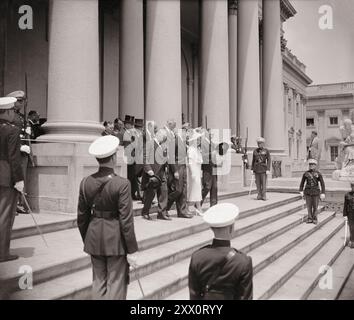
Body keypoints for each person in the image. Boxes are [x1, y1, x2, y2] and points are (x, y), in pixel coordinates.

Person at [77, 135, 138, 300]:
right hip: (115, 238)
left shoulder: (85, 182)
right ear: (113, 157)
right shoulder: (122, 184)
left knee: (98, 283)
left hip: (94, 235)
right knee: (116, 285)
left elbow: (81, 218)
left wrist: (88, 238)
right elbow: (126, 220)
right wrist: (131, 249)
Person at [188, 203, 253, 300]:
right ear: (231, 228)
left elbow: (194, 296)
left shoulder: (197, 257)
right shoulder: (243, 261)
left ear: (211, 228)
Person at [0, 97, 25, 262]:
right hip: (6, 176)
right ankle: (2, 253)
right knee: (5, 216)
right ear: (8, 112)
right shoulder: (12, 130)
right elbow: (14, 158)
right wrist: (19, 180)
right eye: (13, 112)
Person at [141, 128, 174, 221]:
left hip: (161, 172)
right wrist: (148, 170)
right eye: (164, 137)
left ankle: (161, 213)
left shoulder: (161, 145)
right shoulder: (150, 143)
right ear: (158, 135)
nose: (164, 139)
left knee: (164, 192)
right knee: (150, 194)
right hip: (152, 174)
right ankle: (145, 212)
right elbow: (144, 158)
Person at [7, 90, 31, 213]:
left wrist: (28, 131)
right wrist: (19, 146)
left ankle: (20, 203)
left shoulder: (21, 117)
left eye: (22, 101)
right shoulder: (9, 116)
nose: (21, 104)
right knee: (13, 178)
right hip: (15, 151)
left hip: (23, 153)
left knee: (22, 178)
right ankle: (13, 204)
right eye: (19, 101)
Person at [165, 120, 193, 219]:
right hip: (177, 167)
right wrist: (175, 170)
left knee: (184, 190)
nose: (189, 134)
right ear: (184, 131)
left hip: (183, 166)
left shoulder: (183, 142)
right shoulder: (175, 140)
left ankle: (182, 211)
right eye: (188, 132)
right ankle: (165, 208)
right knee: (177, 190)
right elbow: (171, 157)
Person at [299, 159, 326, 225]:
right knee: (309, 206)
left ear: (315, 166)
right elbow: (302, 183)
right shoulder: (306, 174)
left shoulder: (318, 174)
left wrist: (323, 193)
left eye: (312, 165)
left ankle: (315, 218)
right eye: (310, 165)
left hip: (316, 192)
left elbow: (322, 184)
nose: (311, 166)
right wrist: (301, 190)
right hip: (308, 192)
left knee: (315, 206)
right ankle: (309, 218)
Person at [186, 129, 203, 216]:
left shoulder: (197, 150)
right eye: (198, 139)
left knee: (197, 190)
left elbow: (199, 163)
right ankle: (188, 207)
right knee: (193, 190)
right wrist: (193, 173)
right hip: (193, 172)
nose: (199, 141)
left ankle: (198, 208)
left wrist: (200, 172)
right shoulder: (191, 150)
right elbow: (190, 162)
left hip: (197, 171)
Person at [343, 182, 354, 248]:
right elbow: (345, 206)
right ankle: (352, 241)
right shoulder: (347, 195)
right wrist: (345, 215)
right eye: (352, 186)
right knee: (352, 228)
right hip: (350, 213)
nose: (353, 188)